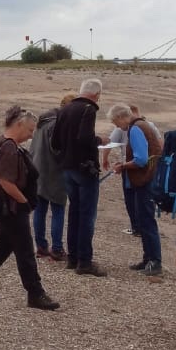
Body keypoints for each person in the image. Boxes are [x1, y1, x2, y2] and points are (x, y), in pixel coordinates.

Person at [0, 107, 60, 309]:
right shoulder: (8, 147)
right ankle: (35, 293)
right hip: (10, 206)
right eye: (29, 130)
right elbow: (5, 180)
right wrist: (24, 202)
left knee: (4, 245)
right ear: (18, 125)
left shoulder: (6, 144)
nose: (30, 135)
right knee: (24, 250)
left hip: (4, 204)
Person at [50, 77, 106, 275]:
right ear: (96, 94)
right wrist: (99, 140)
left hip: (67, 168)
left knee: (74, 212)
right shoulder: (88, 109)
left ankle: (73, 258)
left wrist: (64, 157)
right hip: (84, 168)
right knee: (87, 215)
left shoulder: (65, 109)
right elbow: (84, 137)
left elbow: (55, 141)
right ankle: (84, 261)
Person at [107, 104, 164, 276]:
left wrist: (122, 166)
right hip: (148, 179)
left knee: (146, 221)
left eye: (116, 122)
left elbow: (141, 160)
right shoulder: (142, 125)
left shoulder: (135, 129)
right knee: (144, 220)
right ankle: (148, 259)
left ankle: (154, 261)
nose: (117, 126)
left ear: (122, 117)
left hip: (144, 181)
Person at [29, 96, 71, 262]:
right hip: (53, 173)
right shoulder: (56, 124)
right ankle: (57, 249)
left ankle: (41, 246)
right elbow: (58, 149)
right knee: (58, 210)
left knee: (40, 210)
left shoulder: (43, 121)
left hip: (38, 169)